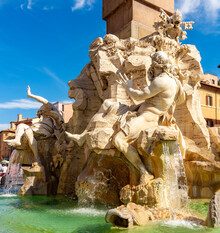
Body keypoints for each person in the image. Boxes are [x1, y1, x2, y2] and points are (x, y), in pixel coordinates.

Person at [67, 51, 185, 185]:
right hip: (139, 109)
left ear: (156, 65)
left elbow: (138, 96)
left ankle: (143, 172)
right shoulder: (174, 81)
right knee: (107, 104)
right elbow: (178, 100)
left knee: (118, 140)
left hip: (148, 118)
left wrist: (127, 86)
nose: (151, 67)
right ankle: (82, 137)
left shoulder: (161, 81)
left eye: (152, 65)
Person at [5, 86, 64, 165]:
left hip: (46, 131)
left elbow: (44, 101)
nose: (41, 112)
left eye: (42, 110)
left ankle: (37, 158)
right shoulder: (42, 119)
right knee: (21, 125)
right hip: (37, 129)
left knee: (28, 131)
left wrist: (30, 95)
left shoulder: (52, 113)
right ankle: (18, 140)